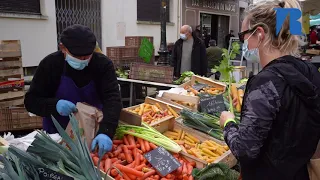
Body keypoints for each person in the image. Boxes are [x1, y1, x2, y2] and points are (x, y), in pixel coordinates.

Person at [219, 0, 320, 179]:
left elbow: (245, 151)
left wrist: (228, 123)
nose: (244, 43)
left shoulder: (265, 82)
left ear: (259, 33)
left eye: (244, 36)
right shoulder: (310, 71)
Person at [24, 24, 122, 157]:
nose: (83, 60)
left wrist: (106, 131)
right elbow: (31, 101)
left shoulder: (103, 65)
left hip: (93, 132)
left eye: (87, 56)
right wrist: (55, 105)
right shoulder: (50, 64)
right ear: (63, 48)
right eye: (77, 56)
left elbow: (113, 99)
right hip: (57, 134)